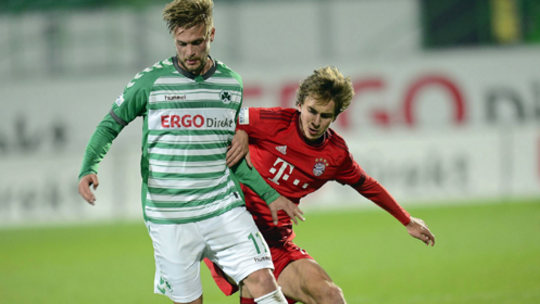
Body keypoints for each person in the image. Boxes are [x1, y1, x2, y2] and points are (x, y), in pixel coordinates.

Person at [77, 1, 304, 303]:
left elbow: (231, 156)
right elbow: (109, 125)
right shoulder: (150, 82)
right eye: (182, 44)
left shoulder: (230, 84)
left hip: (222, 209)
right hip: (170, 218)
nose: (189, 51)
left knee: (264, 280)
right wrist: (88, 166)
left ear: (212, 34)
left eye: (197, 42)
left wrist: (270, 194)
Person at [205, 66, 436, 304]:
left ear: (335, 116)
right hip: (236, 230)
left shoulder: (335, 155)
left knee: (331, 296)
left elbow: (367, 185)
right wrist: (242, 130)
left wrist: (407, 220)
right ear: (300, 104)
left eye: (325, 115)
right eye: (311, 111)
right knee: (260, 284)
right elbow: (231, 118)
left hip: (277, 240)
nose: (315, 121)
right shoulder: (275, 121)